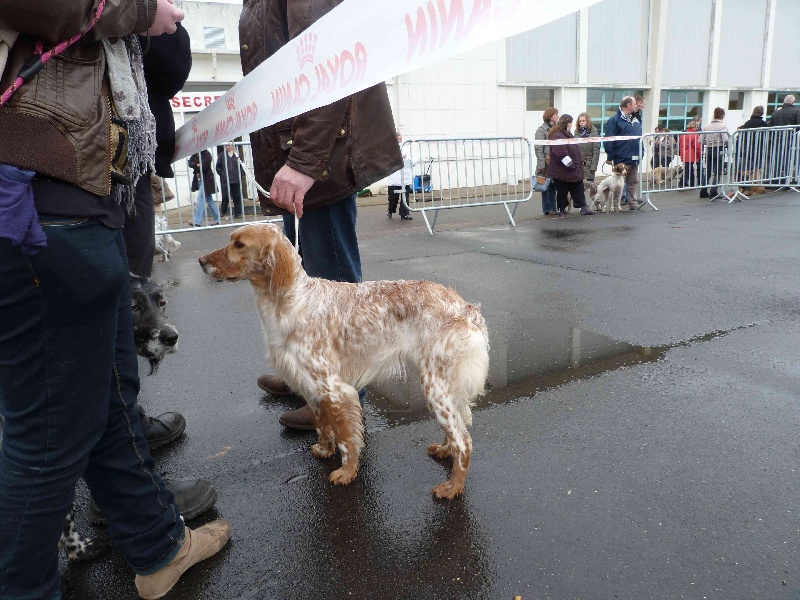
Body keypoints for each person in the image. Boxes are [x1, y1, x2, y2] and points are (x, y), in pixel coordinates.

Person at [0, 2, 231, 600]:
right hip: (44, 183)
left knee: (102, 393)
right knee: (49, 431)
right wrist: (141, 9)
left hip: (78, 191)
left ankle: (155, 545)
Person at [241, 0, 402, 430]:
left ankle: (340, 399)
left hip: (321, 159)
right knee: (302, 281)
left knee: (335, 292)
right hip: (302, 155)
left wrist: (306, 160)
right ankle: (310, 376)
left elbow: (331, 56)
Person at [547, 114, 594, 218]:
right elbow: (560, 153)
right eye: (571, 122)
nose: (572, 125)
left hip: (574, 170)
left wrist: (582, 159)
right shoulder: (557, 136)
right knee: (562, 192)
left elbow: (576, 149)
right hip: (562, 170)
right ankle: (562, 211)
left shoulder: (568, 134)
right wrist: (571, 165)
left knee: (578, 188)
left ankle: (583, 207)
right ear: (567, 123)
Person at [604, 96, 642, 210]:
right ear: (629, 105)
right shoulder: (614, 120)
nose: (637, 106)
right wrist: (610, 156)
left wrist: (642, 152)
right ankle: (615, 204)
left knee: (633, 181)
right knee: (617, 183)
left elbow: (640, 136)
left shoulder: (636, 119)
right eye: (635, 103)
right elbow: (609, 138)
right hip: (621, 156)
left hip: (635, 155)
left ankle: (633, 202)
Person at [766, 95, 800, 188]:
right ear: (793, 102)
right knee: (788, 160)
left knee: (776, 159)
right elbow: (798, 125)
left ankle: (775, 181)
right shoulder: (796, 112)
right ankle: (786, 181)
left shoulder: (776, 112)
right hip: (790, 139)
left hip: (776, 139)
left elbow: (770, 125)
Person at [700, 107, 729, 199]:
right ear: (722, 115)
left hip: (708, 149)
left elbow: (701, 140)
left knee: (708, 171)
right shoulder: (722, 126)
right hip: (718, 148)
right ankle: (713, 191)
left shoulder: (707, 127)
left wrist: (707, 142)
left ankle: (703, 191)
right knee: (717, 171)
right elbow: (726, 139)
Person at [535, 107, 559, 215]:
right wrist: (541, 164)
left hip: (555, 161)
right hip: (545, 162)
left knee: (553, 186)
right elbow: (538, 148)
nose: (558, 116)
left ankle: (554, 208)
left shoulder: (557, 128)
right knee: (546, 186)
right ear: (550, 116)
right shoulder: (541, 130)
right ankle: (547, 209)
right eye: (556, 114)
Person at [386, 132, 414, 220]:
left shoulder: (408, 148)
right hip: (395, 178)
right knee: (393, 197)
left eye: (400, 139)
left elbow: (414, 159)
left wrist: (407, 160)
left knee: (405, 197)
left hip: (405, 177)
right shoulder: (389, 149)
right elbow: (387, 161)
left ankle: (404, 214)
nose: (400, 141)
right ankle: (390, 210)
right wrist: (399, 159)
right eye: (398, 139)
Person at [189, 149, 220, 226]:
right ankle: (217, 219)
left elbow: (204, 166)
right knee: (209, 200)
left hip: (206, 180)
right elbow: (189, 163)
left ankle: (197, 222)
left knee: (200, 198)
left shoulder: (207, 154)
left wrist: (195, 165)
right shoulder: (196, 153)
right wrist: (197, 164)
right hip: (198, 180)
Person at [737, 106, 769, 181]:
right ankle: (753, 183)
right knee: (755, 168)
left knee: (746, 168)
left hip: (746, 148)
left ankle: (744, 183)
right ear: (762, 113)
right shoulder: (763, 124)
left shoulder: (747, 123)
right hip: (758, 149)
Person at [217, 142, 246, 219]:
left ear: (232, 146)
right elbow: (218, 166)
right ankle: (223, 211)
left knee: (237, 196)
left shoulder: (237, 155)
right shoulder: (222, 155)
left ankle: (238, 213)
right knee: (225, 196)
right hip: (226, 180)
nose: (227, 147)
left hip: (236, 179)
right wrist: (222, 174)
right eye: (226, 145)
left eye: (228, 145)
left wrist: (241, 174)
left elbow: (242, 165)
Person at [574, 113, 600, 182]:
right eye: (580, 121)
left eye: (583, 121)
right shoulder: (577, 132)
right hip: (578, 164)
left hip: (589, 164)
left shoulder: (594, 132)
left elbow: (596, 151)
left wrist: (594, 166)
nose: (581, 123)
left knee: (590, 187)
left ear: (587, 121)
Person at [679, 121, 701, 188]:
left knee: (689, 169)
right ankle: (682, 183)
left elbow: (680, 145)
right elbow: (697, 147)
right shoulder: (695, 135)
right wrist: (699, 154)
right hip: (691, 154)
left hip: (684, 154)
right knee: (688, 170)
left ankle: (691, 184)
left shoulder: (683, 135)